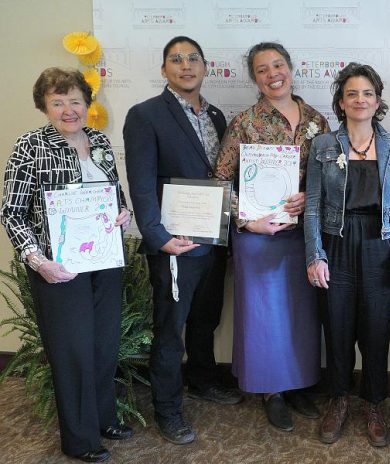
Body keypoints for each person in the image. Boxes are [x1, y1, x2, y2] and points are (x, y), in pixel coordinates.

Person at [1, 67, 133, 462]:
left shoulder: (99, 140)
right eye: (58, 102)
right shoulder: (30, 146)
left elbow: (114, 193)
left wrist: (122, 213)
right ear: (44, 105)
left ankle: (104, 418)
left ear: (87, 104)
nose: (68, 109)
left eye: (75, 100)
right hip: (58, 268)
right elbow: (12, 212)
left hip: (104, 260)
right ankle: (79, 440)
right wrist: (37, 260)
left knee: (103, 345)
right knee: (73, 350)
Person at [123, 36, 242, 446]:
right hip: (174, 243)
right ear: (164, 70)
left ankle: (203, 380)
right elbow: (140, 185)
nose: (185, 65)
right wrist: (158, 239)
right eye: (176, 59)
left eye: (193, 59)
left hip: (214, 238)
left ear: (205, 67)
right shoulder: (145, 115)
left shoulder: (217, 116)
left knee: (206, 319)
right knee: (170, 329)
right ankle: (168, 410)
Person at [215, 42, 330, 432]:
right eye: (262, 69)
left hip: (304, 236)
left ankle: (298, 384)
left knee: (300, 314)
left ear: (292, 68)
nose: (272, 74)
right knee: (264, 316)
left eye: (278, 65)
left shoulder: (318, 121)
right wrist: (246, 221)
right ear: (254, 78)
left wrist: (311, 195)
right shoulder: (244, 122)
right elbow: (220, 183)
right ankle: (271, 391)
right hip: (257, 236)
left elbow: (332, 178)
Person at [304, 62, 390, 447]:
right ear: (340, 101)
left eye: (367, 93)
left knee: (375, 331)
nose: (360, 99)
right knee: (335, 328)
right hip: (335, 243)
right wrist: (314, 255)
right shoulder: (323, 146)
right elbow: (314, 206)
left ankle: (373, 403)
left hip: (379, 245)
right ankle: (338, 399)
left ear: (378, 100)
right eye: (352, 93)